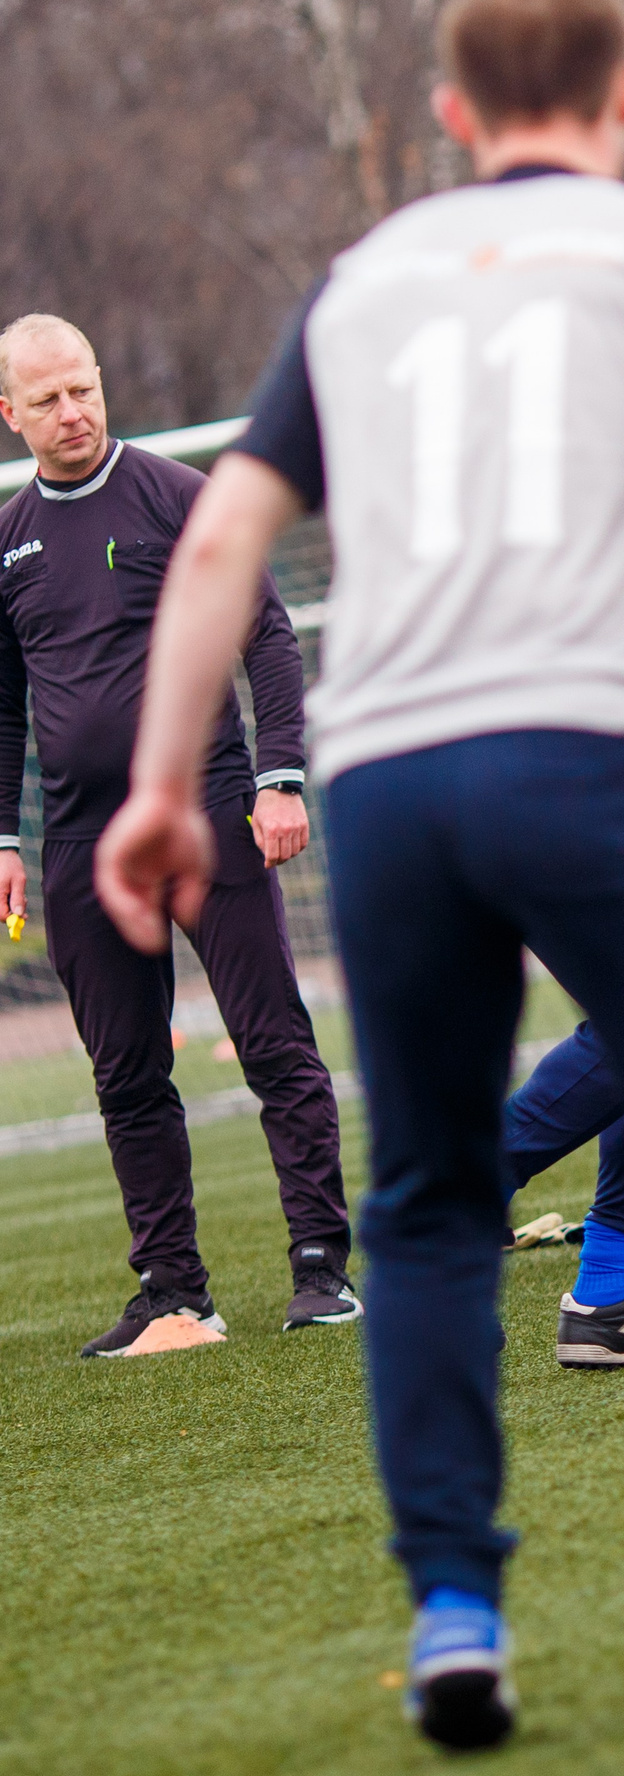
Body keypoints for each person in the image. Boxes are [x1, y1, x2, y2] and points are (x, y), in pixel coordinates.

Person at [92, 0, 624, 1747]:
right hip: (608, 752)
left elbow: (231, 533)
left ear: (450, 117)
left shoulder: (363, 278)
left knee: (423, 1213)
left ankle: (456, 1623)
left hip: (393, 781)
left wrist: (165, 780)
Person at [0, 313, 353, 1358]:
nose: (73, 412)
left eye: (85, 388)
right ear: (8, 413)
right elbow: (2, 708)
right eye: (48, 398)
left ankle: (321, 1269)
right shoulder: (10, 541)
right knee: (124, 1076)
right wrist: (3, 842)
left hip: (207, 807)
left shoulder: (179, 499)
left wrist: (280, 778)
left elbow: (270, 636)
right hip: (78, 842)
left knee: (273, 1042)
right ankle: (171, 1292)